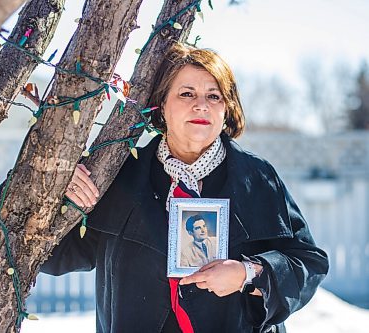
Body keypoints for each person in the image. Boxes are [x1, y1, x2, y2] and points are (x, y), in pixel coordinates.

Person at [41, 43, 329, 333]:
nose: (201, 105)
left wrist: (248, 274)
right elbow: (54, 256)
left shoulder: (258, 178)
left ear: (226, 109)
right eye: (186, 93)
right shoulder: (119, 174)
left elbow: (308, 264)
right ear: (162, 105)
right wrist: (56, 189)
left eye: (213, 96)